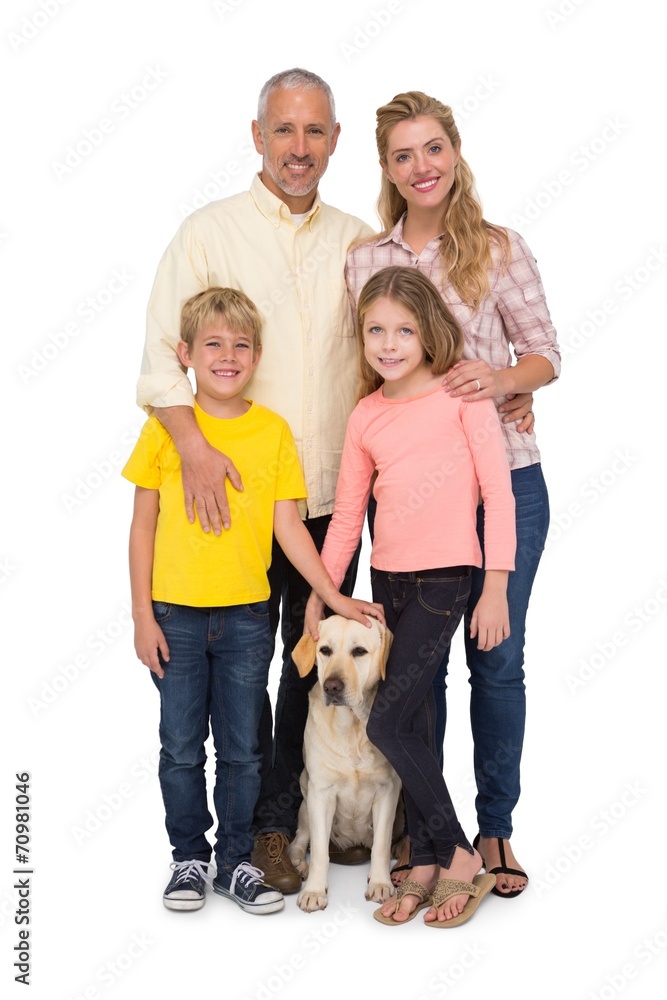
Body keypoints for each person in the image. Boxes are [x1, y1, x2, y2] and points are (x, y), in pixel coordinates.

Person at [136, 68, 374, 891]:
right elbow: (160, 363)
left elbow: (397, 349)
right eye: (283, 131)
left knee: (310, 660)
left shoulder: (359, 239)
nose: (298, 149)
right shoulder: (208, 232)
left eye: (314, 132)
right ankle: (252, 835)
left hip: (334, 496)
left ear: (335, 140)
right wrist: (194, 450)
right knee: (240, 670)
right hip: (231, 500)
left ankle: (294, 817)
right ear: (257, 135)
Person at [345, 91, 561, 897]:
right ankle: (429, 835)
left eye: (432, 148)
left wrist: (503, 380)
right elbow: (374, 374)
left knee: (495, 660)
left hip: (503, 478)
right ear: (388, 170)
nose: (421, 166)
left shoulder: (498, 248)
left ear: (456, 151)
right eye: (403, 155)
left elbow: (544, 352)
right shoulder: (365, 260)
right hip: (411, 496)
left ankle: (495, 828)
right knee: (416, 671)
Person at [123, 287, 383, 914]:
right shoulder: (164, 428)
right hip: (174, 616)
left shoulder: (272, 433)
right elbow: (142, 526)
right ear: (185, 353)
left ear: (259, 355)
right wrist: (139, 616)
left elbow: (289, 528)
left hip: (245, 617)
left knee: (244, 747)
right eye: (212, 344)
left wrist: (331, 594)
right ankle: (189, 857)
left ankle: (236, 861)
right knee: (181, 745)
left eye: (241, 345)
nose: (228, 355)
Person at [305, 266, 516, 925]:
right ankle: (423, 857)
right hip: (386, 582)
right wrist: (323, 596)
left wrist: (497, 589)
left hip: (445, 581)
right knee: (416, 717)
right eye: (374, 331)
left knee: (386, 719)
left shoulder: (463, 398)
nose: (388, 344)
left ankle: (455, 853)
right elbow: (346, 519)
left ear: (429, 332)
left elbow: (497, 497)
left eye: (403, 330)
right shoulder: (367, 414)